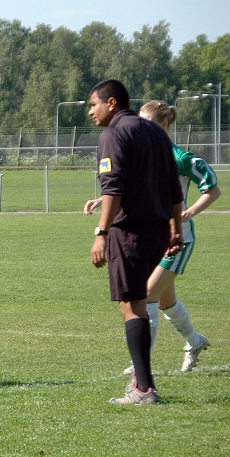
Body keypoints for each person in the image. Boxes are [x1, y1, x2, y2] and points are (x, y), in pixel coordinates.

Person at [84, 100, 220, 375]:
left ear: (164, 125)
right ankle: (194, 342)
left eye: (146, 124)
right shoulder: (145, 154)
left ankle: (139, 365)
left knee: (145, 297)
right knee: (164, 300)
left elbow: (213, 189)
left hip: (177, 240)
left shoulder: (180, 157)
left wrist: (189, 212)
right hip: (154, 236)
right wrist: (104, 199)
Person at [88, 80, 184, 404]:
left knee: (132, 306)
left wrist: (101, 233)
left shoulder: (114, 133)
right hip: (159, 230)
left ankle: (143, 388)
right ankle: (142, 383)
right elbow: (174, 185)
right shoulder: (155, 131)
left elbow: (112, 187)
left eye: (93, 105)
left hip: (130, 232)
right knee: (139, 304)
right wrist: (177, 228)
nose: (91, 112)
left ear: (111, 103)